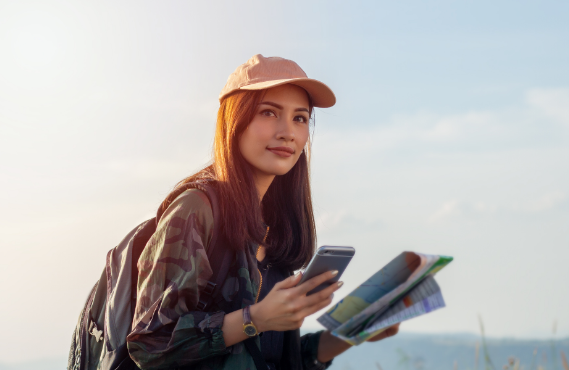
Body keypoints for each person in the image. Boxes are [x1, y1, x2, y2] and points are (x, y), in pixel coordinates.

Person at [125, 54, 399, 370]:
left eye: (300, 118)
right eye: (269, 112)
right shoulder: (196, 209)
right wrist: (254, 318)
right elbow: (150, 344)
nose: (288, 132)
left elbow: (275, 356)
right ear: (234, 121)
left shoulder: (276, 229)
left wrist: (356, 331)